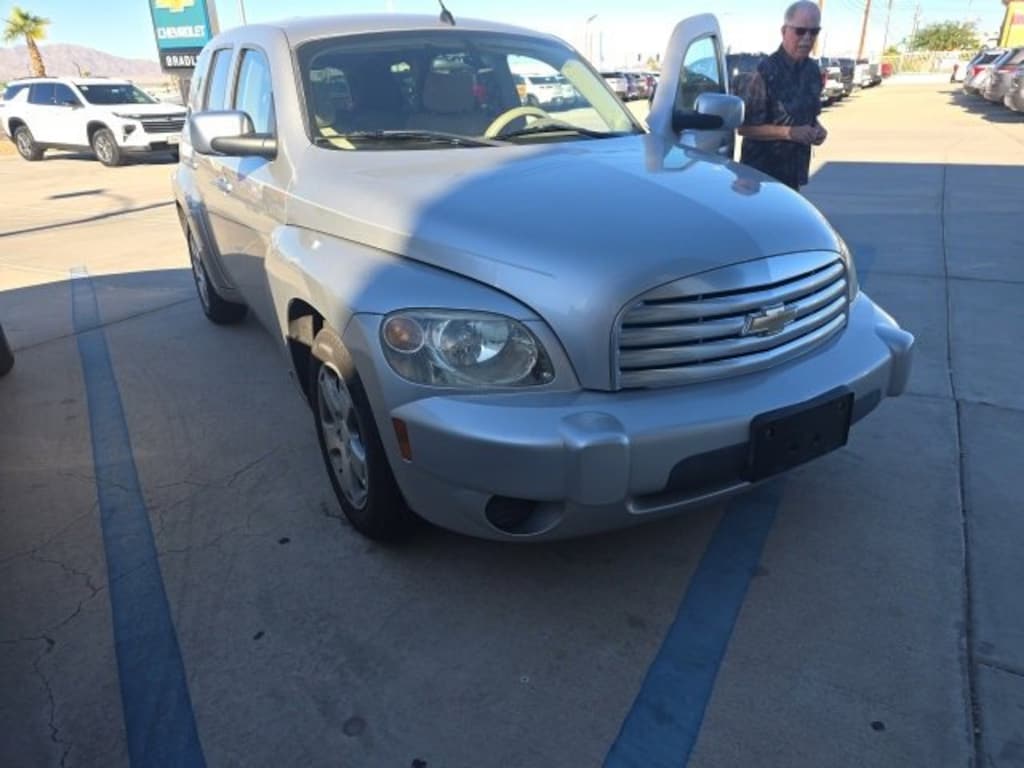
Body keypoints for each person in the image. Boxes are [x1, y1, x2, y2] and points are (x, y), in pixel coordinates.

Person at [735, 1, 828, 191]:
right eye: (800, 31)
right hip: (759, 178)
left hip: (793, 175)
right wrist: (789, 132)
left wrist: (817, 130)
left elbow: (810, 116)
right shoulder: (763, 71)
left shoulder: (812, 71)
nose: (807, 38)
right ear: (784, 31)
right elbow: (745, 128)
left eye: (814, 32)